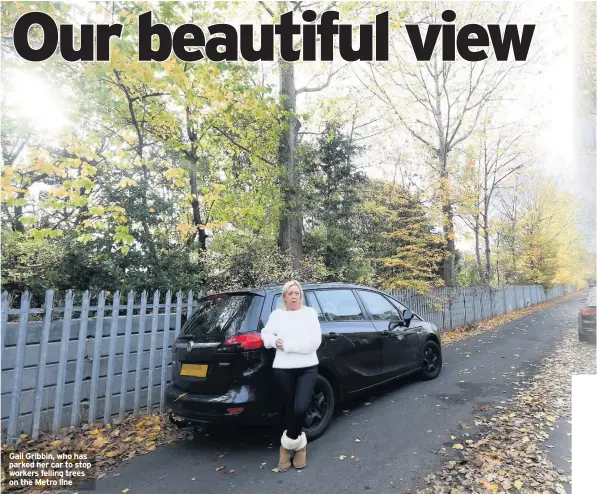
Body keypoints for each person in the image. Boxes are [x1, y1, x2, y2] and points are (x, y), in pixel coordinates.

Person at [261, 280, 322, 471]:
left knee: (300, 408)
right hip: (283, 368)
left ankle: (286, 448)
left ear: (301, 296)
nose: (294, 296)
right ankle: (300, 446)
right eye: (290, 293)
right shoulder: (277, 315)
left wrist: (287, 346)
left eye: (297, 293)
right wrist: (273, 341)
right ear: (284, 297)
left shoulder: (309, 313)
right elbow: (265, 333)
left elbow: (314, 342)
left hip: (307, 367)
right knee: (288, 409)